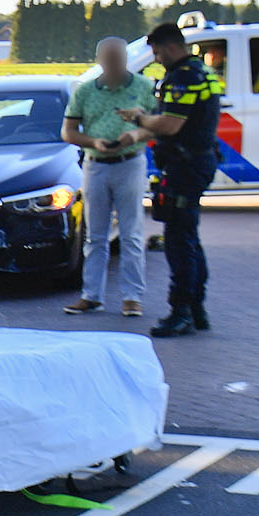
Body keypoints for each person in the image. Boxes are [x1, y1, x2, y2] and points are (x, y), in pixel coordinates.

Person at [115, 22, 225, 338]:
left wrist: (139, 116)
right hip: (196, 162)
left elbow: (170, 124)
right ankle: (196, 309)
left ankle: (181, 313)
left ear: (170, 47)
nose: (157, 58)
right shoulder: (202, 72)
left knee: (179, 240)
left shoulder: (183, 77)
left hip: (185, 166)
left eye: (157, 52)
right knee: (188, 235)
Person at [60, 37, 156, 318]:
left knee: (131, 233)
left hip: (130, 162)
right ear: (99, 60)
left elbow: (158, 125)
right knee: (96, 235)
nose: (115, 65)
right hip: (96, 164)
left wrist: (136, 134)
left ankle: (132, 298)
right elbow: (68, 131)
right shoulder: (86, 91)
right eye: (109, 59)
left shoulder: (143, 87)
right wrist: (94, 142)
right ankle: (91, 296)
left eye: (120, 59)